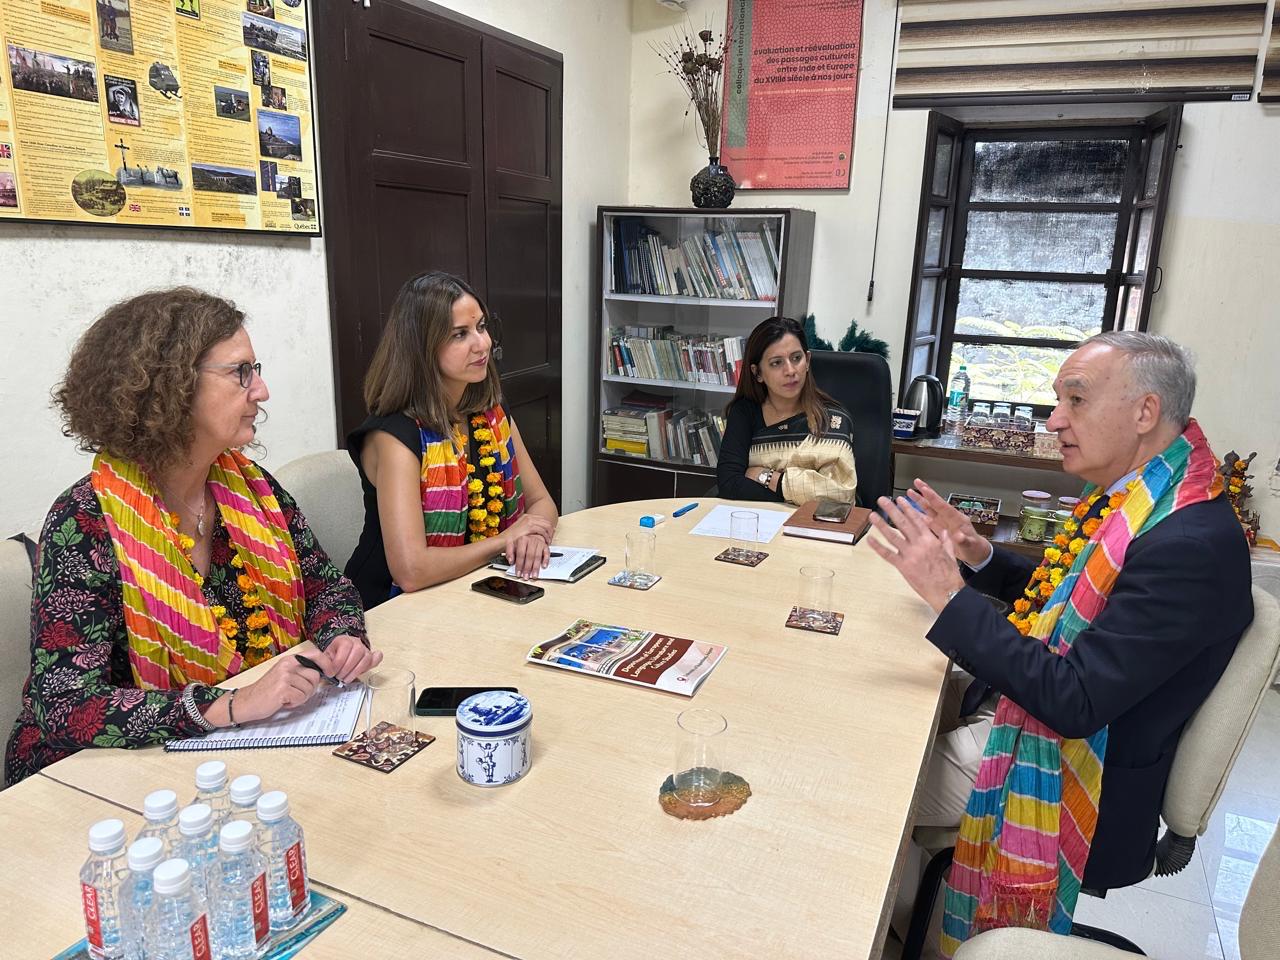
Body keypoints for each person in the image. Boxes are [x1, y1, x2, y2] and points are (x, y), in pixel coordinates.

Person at [867, 332, 1252, 956]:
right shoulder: (1147, 497)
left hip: (1078, 766)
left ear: (1145, 412)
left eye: (1075, 400)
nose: (1054, 420)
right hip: (1035, 717)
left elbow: (1074, 699)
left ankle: (893, 933)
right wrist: (978, 553)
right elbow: (1068, 605)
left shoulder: (1188, 546)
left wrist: (948, 596)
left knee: (871, 777)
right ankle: (915, 923)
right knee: (882, 693)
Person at [4, 289, 383, 786]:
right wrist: (230, 704)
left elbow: (326, 587)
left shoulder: (251, 488)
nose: (262, 390)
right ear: (170, 388)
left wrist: (343, 636)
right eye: (240, 372)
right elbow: (69, 706)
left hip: (238, 752)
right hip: (100, 781)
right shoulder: (85, 521)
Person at [344, 271, 558, 609]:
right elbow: (411, 571)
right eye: (460, 334)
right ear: (422, 348)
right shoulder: (395, 436)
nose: (482, 344)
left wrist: (532, 535)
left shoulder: (489, 413)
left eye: (482, 327)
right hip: (388, 610)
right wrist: (505, 541)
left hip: (472, 589)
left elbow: (542, 503)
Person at [715, 316, 856, 506]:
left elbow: (838, 493)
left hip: (814, 528)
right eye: (776, 363)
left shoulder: (832, 418)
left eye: (796, 358)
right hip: (755, 523)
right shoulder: (745, 412)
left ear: (807, 361)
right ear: (758, 373)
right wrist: (801, 494)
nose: (790, 370)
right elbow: (729, 484)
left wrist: (770, 478)